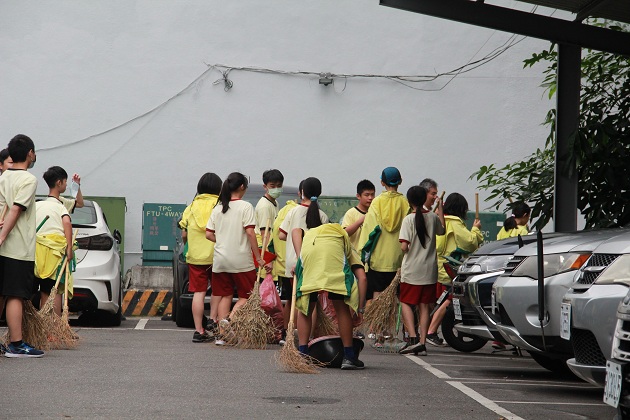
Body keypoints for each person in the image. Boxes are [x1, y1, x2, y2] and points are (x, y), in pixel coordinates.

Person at [206, 172, 270, 346]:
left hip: (220, 260)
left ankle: (222, 335)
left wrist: (223, 241)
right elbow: (250, 233)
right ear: (242, 187)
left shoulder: (218, 208)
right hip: (241, 260)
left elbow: (208, 234)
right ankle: (231, 319)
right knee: (248, 295)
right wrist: (258, 257)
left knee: (224, 295)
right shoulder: (245, 207)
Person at [293, 223, 368, 370]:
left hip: (308, 254)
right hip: (333, 261)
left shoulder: (312, 233)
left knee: (306, 308)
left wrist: (298, 260)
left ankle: (302, 354)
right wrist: (359, 310)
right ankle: (349, 356)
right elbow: (363, 278)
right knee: (341, 308)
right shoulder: (345, 244)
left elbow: (295, 230)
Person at [0, 134, 44, 358]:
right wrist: (3, 236)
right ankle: (16, 344)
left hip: (2, 246)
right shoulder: (28, 180)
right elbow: (16, 210)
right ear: (29, 154)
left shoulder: (4, 176)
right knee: (15, 295)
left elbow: (3, 209)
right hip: (17, 246)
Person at [426, 193, 483, 346]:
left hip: (434, 267)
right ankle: (431, 332)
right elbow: (470, 243)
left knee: (436, 301)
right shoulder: (455, 223)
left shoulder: (438, 219)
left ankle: (425, 331)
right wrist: (476, 230)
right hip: (449, 268)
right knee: (450, 299)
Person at [398, 186, 445, 356]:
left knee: (405, 302)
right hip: (429, 270)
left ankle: (412, 338)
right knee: (424, 306)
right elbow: (443, 230)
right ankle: (423, 342)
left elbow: (404, 246)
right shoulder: (432, 217)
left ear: (409, 201)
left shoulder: (408, 220)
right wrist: (440, 208)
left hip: (412, 269)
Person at [179, 172, 222, 343]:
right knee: (218, 291)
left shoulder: (191, 207)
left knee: (199, 292)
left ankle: (199, 330)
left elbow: (184, 233)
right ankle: (213, 320)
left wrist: (189, 243)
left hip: (196, 257)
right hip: (217, 254)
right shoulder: (219, 205)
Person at [358, 167, 409, 303]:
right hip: (400, 259)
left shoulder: (377, 202)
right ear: (400, 181)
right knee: (400, 297)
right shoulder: (405, 203)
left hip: (378, 259)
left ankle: (378, 324)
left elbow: (369, 231)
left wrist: (362, 253)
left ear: (382, 182)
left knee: (378, 295)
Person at [34, 166, 76, 317]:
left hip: (36, 253)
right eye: (65, 182)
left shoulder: (37, 204)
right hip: (54, 254)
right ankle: (53, 328)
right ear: (59, 183)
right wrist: (69, 248)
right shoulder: (60, 206)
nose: (65, 185)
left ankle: (40, 328)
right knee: (53, 291)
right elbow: (67, 223)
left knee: (39, 292)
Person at [278, 177, 329, 276]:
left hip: (293, 262)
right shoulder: (323, 216)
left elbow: (282, 235)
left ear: (302, 192)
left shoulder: (292, 211)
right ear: (319, 193)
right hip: (312, 264)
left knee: (294, 291)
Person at [272, 182, 300, 344]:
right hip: (302, 264)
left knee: (290, 299)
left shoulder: (284, 212)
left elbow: (280, 235)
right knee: (300, 301)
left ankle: (285, 333)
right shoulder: (309, 213)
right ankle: (295, 333)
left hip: (286, 263)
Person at [341, 179, 375, 252]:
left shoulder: (375, 213)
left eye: (372, 194)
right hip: (355, 256)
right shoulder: (351, 213)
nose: (370, 198)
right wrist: (360, 221)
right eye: (367, 195)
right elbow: (344, 233)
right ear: (358, 196)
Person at [255, 169, 284, 246]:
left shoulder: (275, 202)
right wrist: (268, 253)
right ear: (265, 186)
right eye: (272, 186)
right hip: (264, 246)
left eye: (279, 186)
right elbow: (264, 232)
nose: (276, 189)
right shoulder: (264, 206)